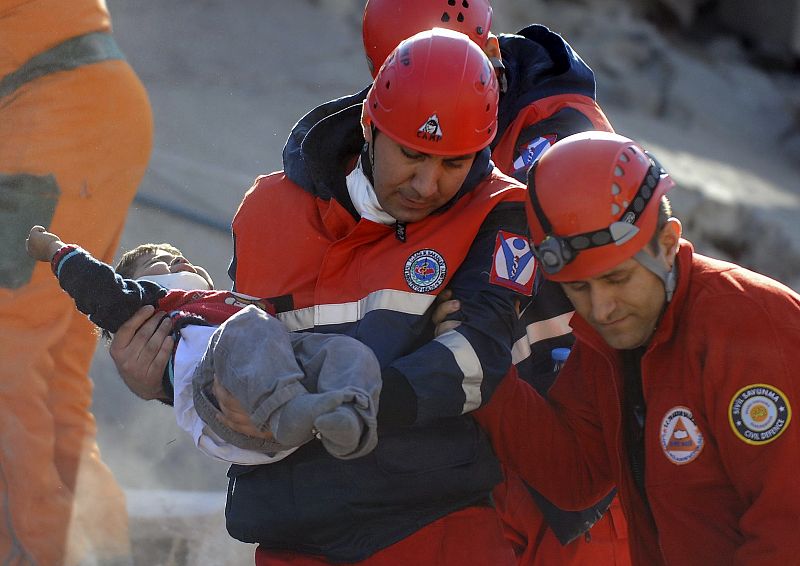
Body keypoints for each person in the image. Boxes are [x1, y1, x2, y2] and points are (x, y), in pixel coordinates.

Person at [114, 28, 533, 564]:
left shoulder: (501, 211)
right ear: (368, 125)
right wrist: (161, 379)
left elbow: (477, 357)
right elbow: (243, 354)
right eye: (412, 154)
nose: (428, 184)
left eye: (454, 163)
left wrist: (336, 404)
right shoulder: (267, 210)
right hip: (290, 529)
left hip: (432, 522)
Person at [358, 1, 629, 562]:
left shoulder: (554, 150)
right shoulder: (431, 158)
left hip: (578, 485)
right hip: (492, 457)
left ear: (490, 58)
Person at [474, 130, 800, 565]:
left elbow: (788, 528)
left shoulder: (752, 327)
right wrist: (481, 371)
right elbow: (577, 474)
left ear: (667, 245)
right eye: (578, 288)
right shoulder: (613, 340)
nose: (601, 309)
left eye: (617, 279)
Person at [0, 1, 153, 564]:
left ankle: (36, 553)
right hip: (76, 97)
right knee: (51, 367)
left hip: (51, 104)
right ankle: (95, 548)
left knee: (7, 358)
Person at [26, 226, 382, 463]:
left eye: (184, 258)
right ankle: (288, 409)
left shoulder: (230, 305)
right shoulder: (156, 306)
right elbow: (98, 287)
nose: (179, 259)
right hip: (221, 400)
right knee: (250, 326)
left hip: (276, 395)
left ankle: (350, 413)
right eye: (160, 261)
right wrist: (57, 251)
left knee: (341, 351)